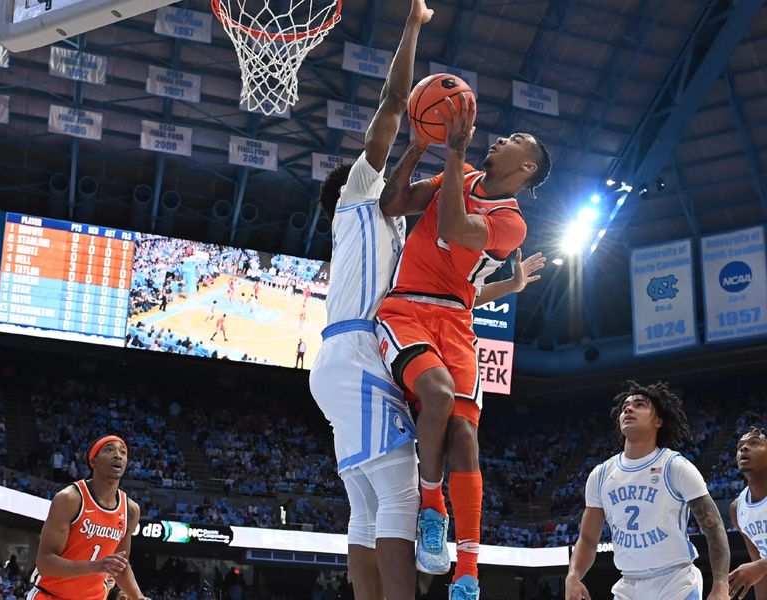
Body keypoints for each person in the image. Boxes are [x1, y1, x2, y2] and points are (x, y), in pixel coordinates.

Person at [308, 3, 545, 598]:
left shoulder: (396, 234)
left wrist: (508, 287)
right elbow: (392, 107)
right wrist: (412, 28)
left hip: (379, 350)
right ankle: (438, 538)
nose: (380, 166)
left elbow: (453, 285)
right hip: (363, 349)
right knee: (400, 497)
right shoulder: (358, 198)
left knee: (367, 513)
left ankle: (458, 561)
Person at [374, 90, 551, 597]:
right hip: (406, 306)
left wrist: (453, 153)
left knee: (467, 439)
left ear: (527, 165)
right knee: (436, 393)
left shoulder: (512, 223)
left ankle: (468, 571)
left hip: (456, 323)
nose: (501, 139)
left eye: (515, 140)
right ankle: (433, 507)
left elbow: (455, 225)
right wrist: (420, 144)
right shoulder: (463, 173)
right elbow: (393, 203)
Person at [565, 381, 730, 600]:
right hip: (628, 584)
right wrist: (573, 576)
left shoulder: (675, 466)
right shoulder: (601, 474)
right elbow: (587, 539)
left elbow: (714, 528)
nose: (628, 409)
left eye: (639, 404)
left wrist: (720, 585)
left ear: (658, 421)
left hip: (675, 582)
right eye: (625, 407)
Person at [27, 436, 149, 600]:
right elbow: (45, 564)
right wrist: (95, 566)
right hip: (51, 595)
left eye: (123, 452)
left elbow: (121, 565)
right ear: (94, 461)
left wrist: (138, 597)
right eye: (109, 450)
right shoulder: (70, 499)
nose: (118, 455)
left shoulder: (130, 510)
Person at [729, 427, 767, 600]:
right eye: (740, 446)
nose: (743, 448)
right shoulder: (737, 509)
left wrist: (762, 566)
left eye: (754, 443)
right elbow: (758, 574)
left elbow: (759, 568)